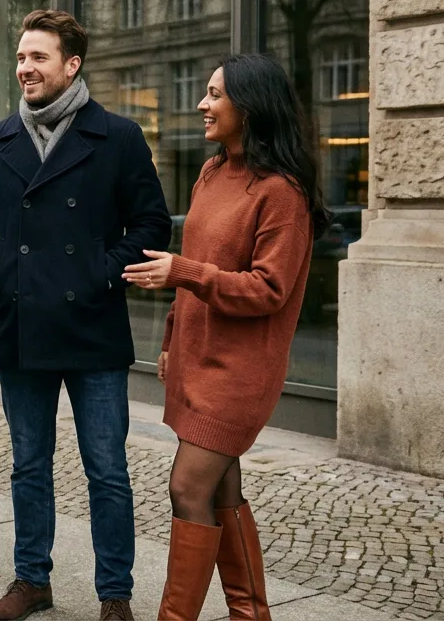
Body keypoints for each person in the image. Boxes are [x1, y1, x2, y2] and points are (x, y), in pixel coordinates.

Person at [0, 10, 172, 621]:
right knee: (29, 462)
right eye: (21, 57)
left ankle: (115, 594)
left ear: (71, 65)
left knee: (105, 468)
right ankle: (33, 579)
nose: (25, 68)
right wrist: (3, 273)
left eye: (38, 58)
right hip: (22, 324)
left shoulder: (119, 136)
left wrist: (101, 272)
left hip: (94, 326)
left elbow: (152, 224)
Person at [123, 54, 328, 621]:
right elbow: (196, 259)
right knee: (221, 491)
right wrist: (170, 334)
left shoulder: (282, 192)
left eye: (215, 95)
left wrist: (183, 274)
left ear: (250, 105)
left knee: (186, 487)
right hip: (197, 355)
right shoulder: (214, 171)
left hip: (239, 371)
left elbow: (269, 289)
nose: (202, 104)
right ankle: (250, 613)